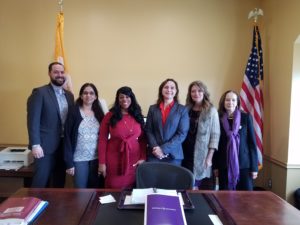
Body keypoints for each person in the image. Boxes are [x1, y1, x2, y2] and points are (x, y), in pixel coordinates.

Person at [27, 62, 74, 188]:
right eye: (56, 72)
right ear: (49, 73)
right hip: (44, 148)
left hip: (63, 146)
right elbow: (33, 120)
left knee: (59, 182)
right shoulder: (40, 93)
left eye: (62, 72)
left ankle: (55, 207)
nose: (60, 75)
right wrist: (35, 144)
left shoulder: (69, 96)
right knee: (40, 181)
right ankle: (34, 206)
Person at [98, 86, 146, 188]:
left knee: (131, 190)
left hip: (134, 159)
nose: (125, 99)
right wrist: (102, 163)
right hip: (114, 158)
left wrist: (142, 157)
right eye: (121, 97)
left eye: (127, 97)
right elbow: (102, 140)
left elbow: (142, 139)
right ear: (117, 99)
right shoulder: (110, 116)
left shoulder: (137, 115)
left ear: (131, 98)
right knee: (114, 187)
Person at [213, 90, 258, 190]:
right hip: (224, 165)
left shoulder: (246, 118)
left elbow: (252, 144)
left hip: (244, 166)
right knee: (225, 199)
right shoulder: (217, 118)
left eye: (233, 100)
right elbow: (215, 144)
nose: (230, 102)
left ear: (237, 102)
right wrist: (215, 166)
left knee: (245, 199)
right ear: (223, 102)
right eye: (227, 100)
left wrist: (254, 168)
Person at [64, 83, 105, 188]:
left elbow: (104, 137)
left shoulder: (100, 113)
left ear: (95, 96)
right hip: (79, 158)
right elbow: (67, 137)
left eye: (91, 93)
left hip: (96, 159)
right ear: (81, 96)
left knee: (95, 190)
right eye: (85, 93)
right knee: (80, 192)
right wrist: (69, 163)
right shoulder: (74, 111)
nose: (88, 95)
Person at [182, 81, 220, 189]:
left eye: (199, 91)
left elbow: (215, 135)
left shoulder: (211, 111)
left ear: (204, 92)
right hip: (185, 153)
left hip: (202, 154)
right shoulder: (185, 109)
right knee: (187, 185)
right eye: (193, 91)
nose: (196, 93)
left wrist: (209, 157)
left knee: (202, 187)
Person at [145, 78, 189, 166]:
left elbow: (182, 134)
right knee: (152, 179)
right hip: (154, 154)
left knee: (171, 180)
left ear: (176, 91)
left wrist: (163, 149)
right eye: (166, 87)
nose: (169, 90)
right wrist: (156, 148)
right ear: (161, 90)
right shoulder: (152, 109)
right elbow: (148, 130)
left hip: (173, 156)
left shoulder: (182, 110)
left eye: (172, 88)